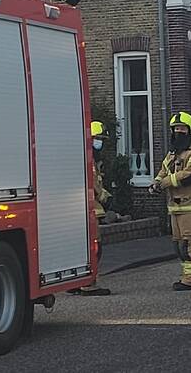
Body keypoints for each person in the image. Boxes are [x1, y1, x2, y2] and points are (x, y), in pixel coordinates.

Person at [149, 111, 191, 291]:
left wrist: (166, 182)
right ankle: (186, 276)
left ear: (189, 130)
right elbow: (164, 170)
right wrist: (156, 182)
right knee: (179, 245)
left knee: (189, 244)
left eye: (182, 128)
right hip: (175, 208)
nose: (178, 132)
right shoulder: (173, 152)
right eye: (175, 129)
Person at [70, 121, 112, 296]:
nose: (100, 143)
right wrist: (105, 198)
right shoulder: (88, 160)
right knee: (94, 248)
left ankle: (75, 282)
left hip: (78, 211)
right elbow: (93, 184)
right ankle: (90, 284)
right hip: (89, 211)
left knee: (79, 248)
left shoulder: (82, 157)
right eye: (98, 139)